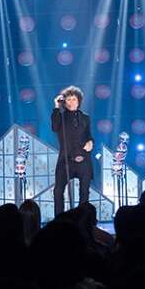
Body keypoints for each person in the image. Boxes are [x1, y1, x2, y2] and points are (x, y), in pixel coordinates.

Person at [51, 86, 94, 216]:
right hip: (65, 159)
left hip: (83, 158)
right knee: (58, 191)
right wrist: (56, 107)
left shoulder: (85, 117)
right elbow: (54, 127)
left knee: (84, 191)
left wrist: (90, 142)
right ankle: (59, 219)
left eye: (73, 99)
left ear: (78, 101)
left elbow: (89, 134)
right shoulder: (60, 116)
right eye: (68, 99)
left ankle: (83, 218)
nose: (71, 102)